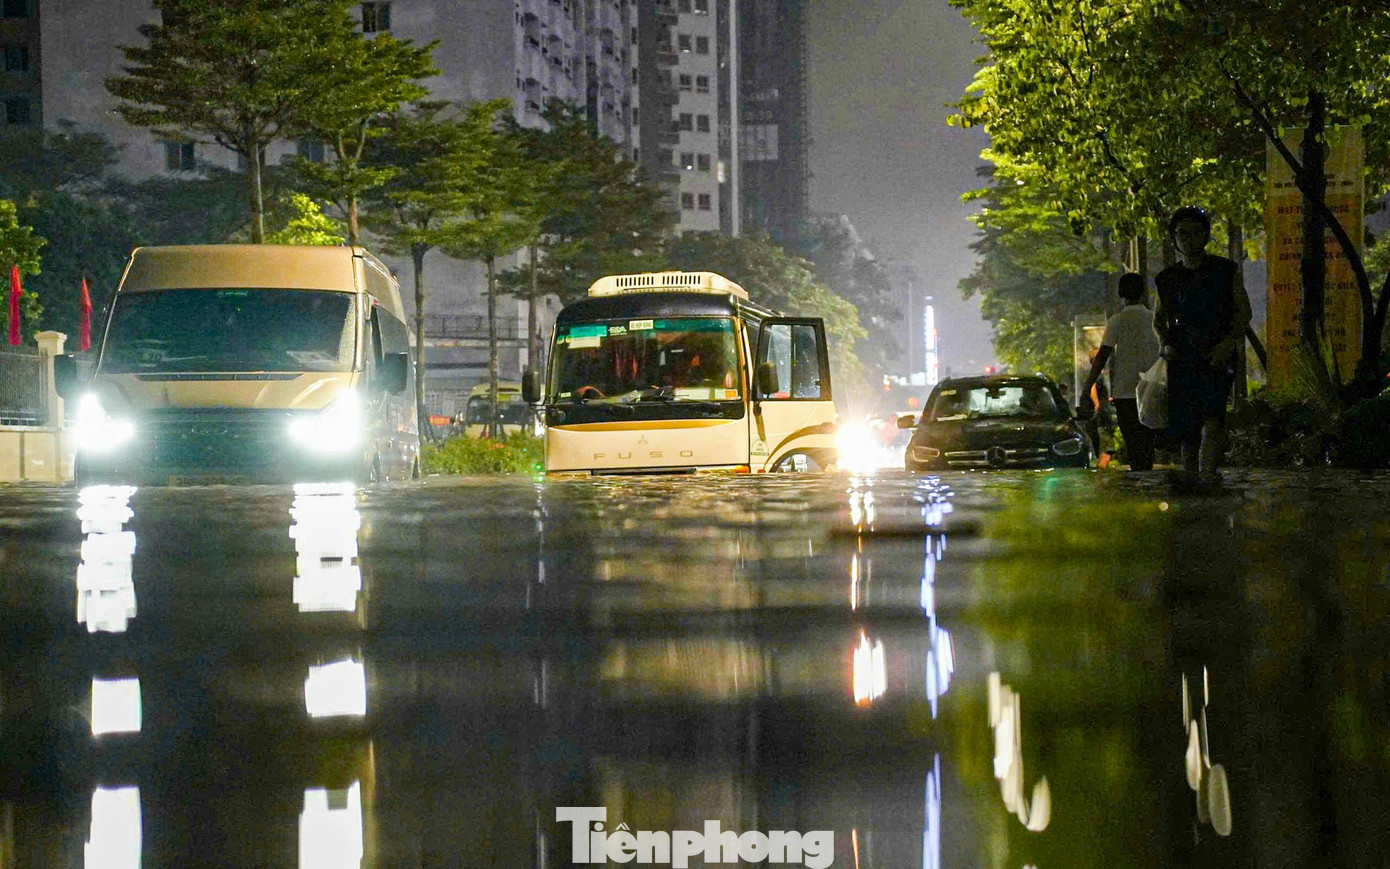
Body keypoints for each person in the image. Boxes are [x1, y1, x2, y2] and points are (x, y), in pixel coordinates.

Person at [1153, 205, 1251, 487]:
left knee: (1213, 414)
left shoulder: (1224, 271)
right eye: (1182, 234)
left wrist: (1228, 342)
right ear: (1174, 238)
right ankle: (1190, 472)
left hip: (1217, 354)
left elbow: (1243, 312)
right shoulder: (1167, 280)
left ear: (1206, 236)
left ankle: (1207, 471)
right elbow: (1159, 320)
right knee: (1187, 420)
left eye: (1196, 233)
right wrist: (1165, 344)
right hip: (1182, 355)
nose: (1189, 240)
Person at [1081, 272, 1161, 470]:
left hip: (1125, 392)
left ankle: (1138, 481)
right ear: (1143, 293)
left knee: (1133, 443)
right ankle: (1148, 479)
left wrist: (1087, 387)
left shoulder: (1117, 321)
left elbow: (1102, 357)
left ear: (1120, 294)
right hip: (1152, 388)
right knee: (1148, 441)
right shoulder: (1154, 319)